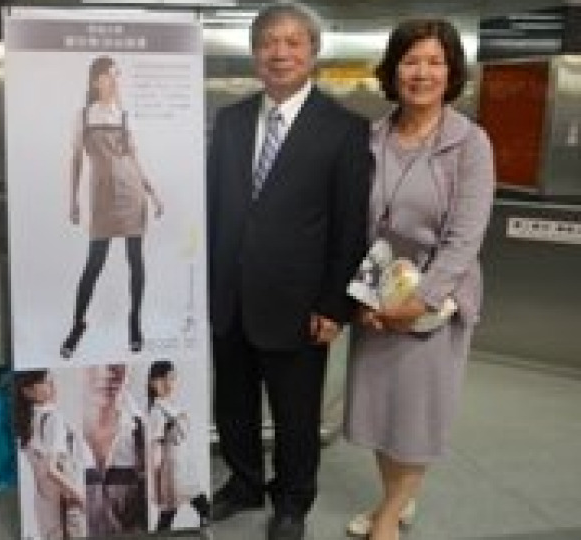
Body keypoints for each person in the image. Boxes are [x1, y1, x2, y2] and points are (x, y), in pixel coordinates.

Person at [206, 3, 372, 539]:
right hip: (229, 296)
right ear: (255, 53)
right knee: (233, 403)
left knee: (296, 414)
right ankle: (244, 483)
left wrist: (334, 304)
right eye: (268, 42)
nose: (279, 53)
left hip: (301, 305)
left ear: (312, 51)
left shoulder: (344, 129)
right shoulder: (230, 122)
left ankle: (293, 501)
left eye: (292, 42)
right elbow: (214, 209)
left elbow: (349, 226)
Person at [343, 19, 495, 540]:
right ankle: (398, 499)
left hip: (436, 301)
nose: (422, 73)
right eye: (411, 61)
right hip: (378, 290)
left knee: (417, 415)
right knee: (382, 411)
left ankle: (388, 518)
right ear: (393, 70)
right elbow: (361, 226)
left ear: (451, 72)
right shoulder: (371, 138)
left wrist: (421, 300)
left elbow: (465, 238)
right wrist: (365, 297)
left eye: (434, 62)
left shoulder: (470, 144)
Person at [60, 56, 164, 359]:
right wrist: (72, 200)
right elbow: (76, 159)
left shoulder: (124, 115)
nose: (116, 80)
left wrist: (152, 192)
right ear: (96, 81)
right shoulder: (82, 116)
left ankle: (135, 322)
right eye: (110, 75)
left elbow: (134, 158)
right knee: (94, 263)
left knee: (135, 260)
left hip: (131, 192)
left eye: (118, 75)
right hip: (102, 195)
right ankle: (78, 323)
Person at [15, 370, 87, 540]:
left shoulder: (28, 421)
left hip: (44, 503)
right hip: (65, 501)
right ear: (28, 391)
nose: (53, 385)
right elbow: (52, 470)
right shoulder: (53, 419)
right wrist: (81, 497)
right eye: (46, 381)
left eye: (52, 379)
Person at [81, 364, 148, 535]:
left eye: (117, 359)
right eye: (95, 361)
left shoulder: (144, 431)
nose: (108, 372)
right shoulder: (63, 429)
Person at [146, 361, 210, 531]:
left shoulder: (172, 405)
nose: (168, 384)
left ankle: (204, 526)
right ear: (152, 382)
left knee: (198, 502)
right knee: (170, 512)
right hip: (172, 470)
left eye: (171, 378)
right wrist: (156, 480)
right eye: (162, 379)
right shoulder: (157, 411)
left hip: (184, 466)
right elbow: (156, 447)